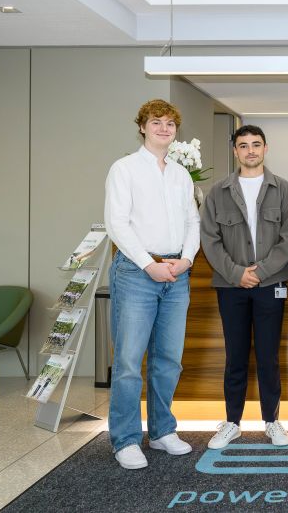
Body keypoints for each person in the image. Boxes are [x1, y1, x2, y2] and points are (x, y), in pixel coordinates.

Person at [104, 99, 200, 469]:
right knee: (129, 362)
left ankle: (162, 432)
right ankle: (126, 439)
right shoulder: (124, 169)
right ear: (142, 127)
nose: (164, 128)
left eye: (170, 123)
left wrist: (187, 259)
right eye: (156, 122)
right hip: (136, 273)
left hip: (176, 274)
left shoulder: (180, 174)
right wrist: (148, 264)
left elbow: (193, 222)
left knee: (168, 361)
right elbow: (117, 222)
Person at [200, 125, 288, 449]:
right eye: (243, 145)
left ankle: (272, 421)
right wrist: (236, 273)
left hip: (272, 284)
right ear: (235, 151)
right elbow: (209, 240)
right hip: (231, 287)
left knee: (269, 356)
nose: (250, 151)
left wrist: (261, 272)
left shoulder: (284, 190)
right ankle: (232, 422)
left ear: (265, 148)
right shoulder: (218, 192)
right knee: (236, 356)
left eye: (256, 144)